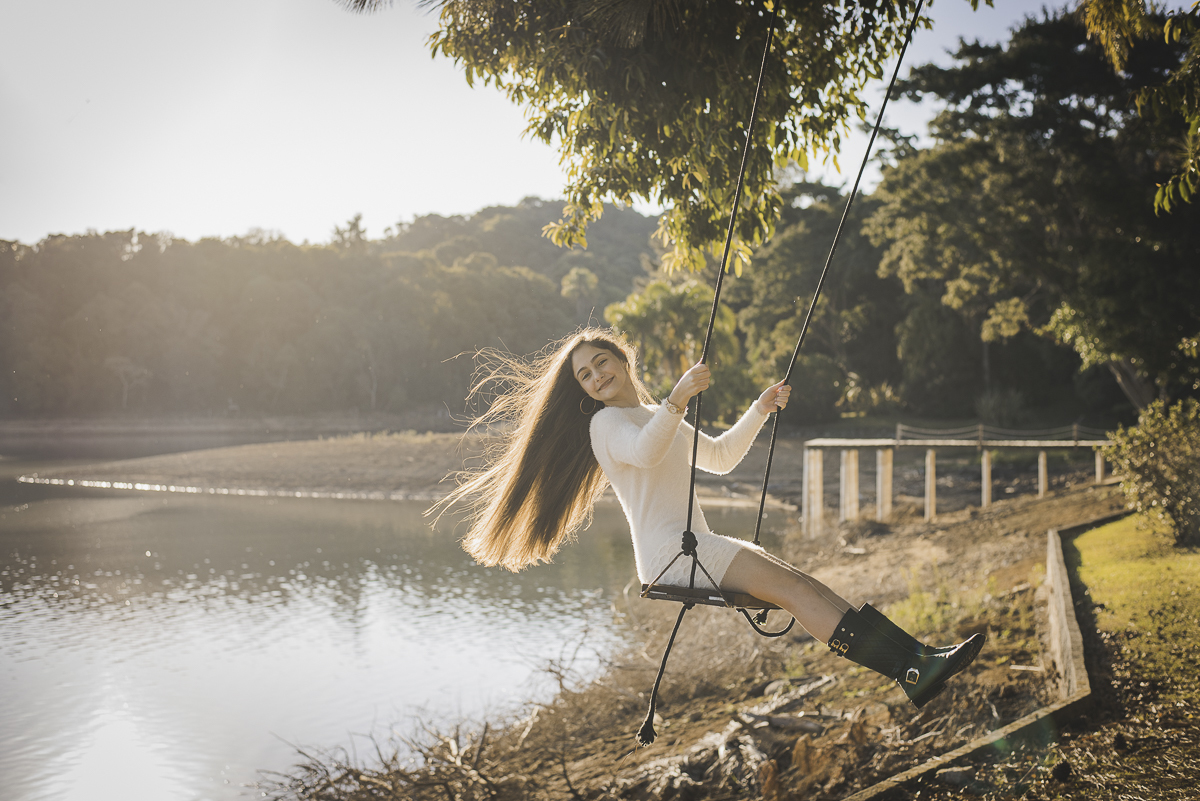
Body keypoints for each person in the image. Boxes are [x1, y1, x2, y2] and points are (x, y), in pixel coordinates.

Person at [435, 328, 983, 709]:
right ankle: (911, 671)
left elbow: (718, 457)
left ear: (622, 359)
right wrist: (677, 399)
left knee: (803, 585)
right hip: (671, 556)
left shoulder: (653, 415)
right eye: (584, 375)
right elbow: (648, 452)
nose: (597, 375)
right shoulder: (607, 425)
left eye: (602, 362)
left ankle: (918, 658)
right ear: (582, 390)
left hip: (694, 544)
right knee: (795, 592)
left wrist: (758, 409)